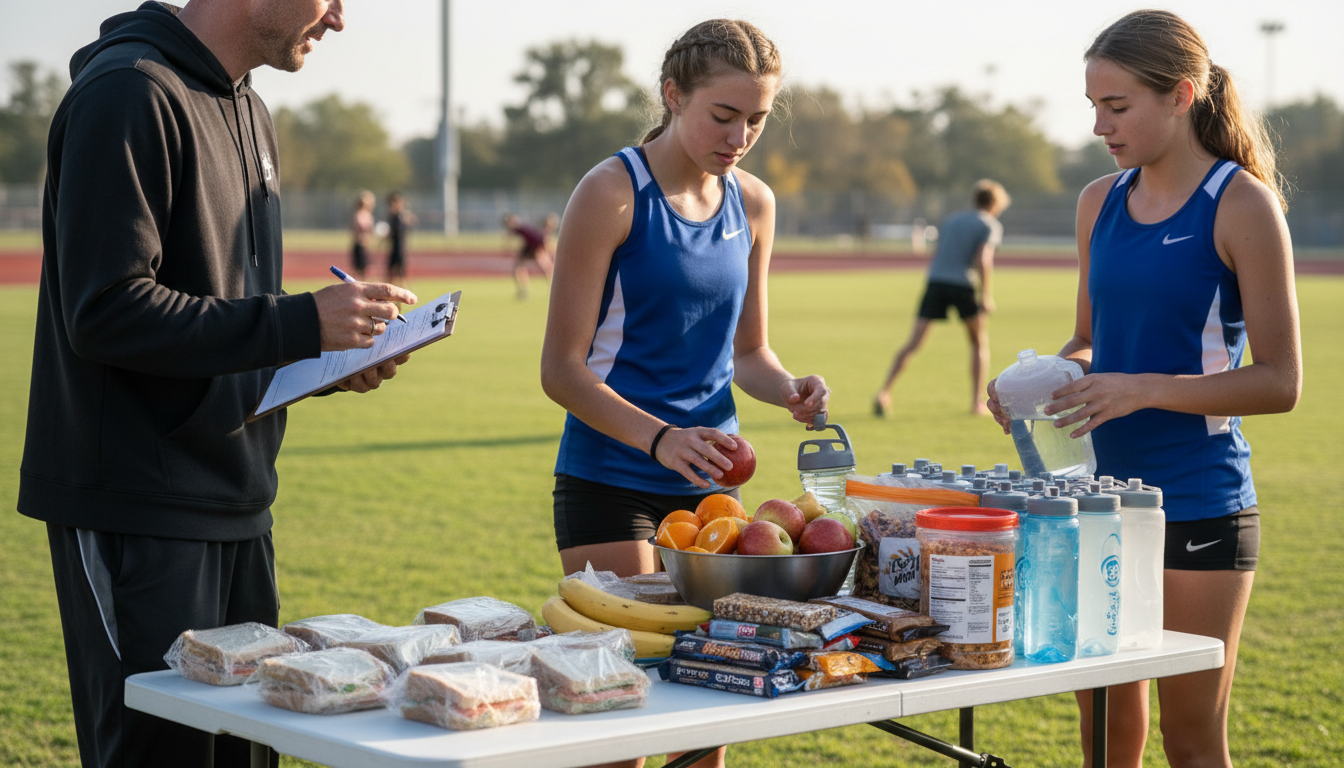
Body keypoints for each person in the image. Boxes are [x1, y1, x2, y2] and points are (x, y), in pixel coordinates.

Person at [17, 2, 418, 767]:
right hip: (138, 507)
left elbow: (222, 319)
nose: (338, 17)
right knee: (161, 755)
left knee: (244, 751)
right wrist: (302, 324)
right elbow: (105, 312)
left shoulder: (253, 110)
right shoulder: (127, 92)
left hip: (239, 502)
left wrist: (326, 365)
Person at [987, 10, 1301, 768]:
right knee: (1103, 738)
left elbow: (1280, 382)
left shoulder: (1242, 205)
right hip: (1093, 501)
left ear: (1181, 95)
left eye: (1117, 106)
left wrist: (1143, 390)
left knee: (1192, 742)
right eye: (1093, 105)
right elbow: (1089, 342)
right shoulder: (1098, 201)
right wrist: (1036, 387)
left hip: (1197, 502)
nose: (1100, 124)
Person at [539, 19, 828, 768]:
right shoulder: (611, 192)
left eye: (757, 120)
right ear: (673, 95)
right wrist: (661, 438)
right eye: (723, 115)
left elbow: (749, 354)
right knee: (630, 718)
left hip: (712, 495)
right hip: (611, 481)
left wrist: (790, 388)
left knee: (711, 716)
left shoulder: (754, 203)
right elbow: (562, 370)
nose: (739, 137)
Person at [874, 179, 1010, 417]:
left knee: (913, 342)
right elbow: (983, 259)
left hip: (936, 281)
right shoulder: (989, 224)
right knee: (978, 343)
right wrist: (986, 295)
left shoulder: (953, 220)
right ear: (995, 203)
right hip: (963, 285)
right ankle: (977, 402)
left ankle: (884, 392)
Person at [503, 212, 556, 299]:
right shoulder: (522, 227)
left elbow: (541, 238)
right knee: (519, 267)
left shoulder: (520, 227)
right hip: (529, 247)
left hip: (535, 247)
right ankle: (524, 290)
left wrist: (545, 250)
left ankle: (552, 288)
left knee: (546, 267)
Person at [383, 190, 416, 286]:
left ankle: (402, 291)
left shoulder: (402, 216)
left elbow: (409, 224)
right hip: (394, 247)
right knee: (391, 272)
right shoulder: (392, 216)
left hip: (400, 247)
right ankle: (390, 292)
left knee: (401, 272)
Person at [350, 189, 376, 280]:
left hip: (366, 244)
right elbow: (357, 228)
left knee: (365, 267)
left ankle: (363, 285)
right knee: (358, 268)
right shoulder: (358, 214)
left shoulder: (368, 214)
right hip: (359, 243)